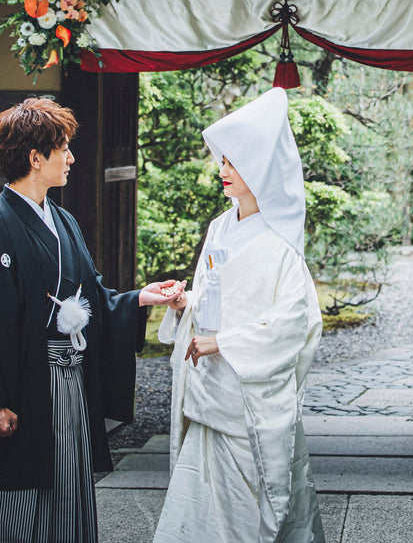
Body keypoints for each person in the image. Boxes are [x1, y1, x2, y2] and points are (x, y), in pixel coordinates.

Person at [0, 97, 179, 543]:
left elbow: (89, 295)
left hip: (66, 382)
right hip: (19, 385)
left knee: (68, 489)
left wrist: (140, 298)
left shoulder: (63, 221)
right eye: (63, 148)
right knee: (18, 496)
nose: (70, 158)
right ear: (35, 158)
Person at [153, 87, 325, 543]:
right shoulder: (220, 226)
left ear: (260, 168)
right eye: (223, 161)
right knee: (199, 499)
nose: (223, 171)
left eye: (232, 162)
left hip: (248, 392)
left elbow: (296, 323)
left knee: (257, 503)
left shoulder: (281, 241)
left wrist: (224, 342)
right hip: (209, 383)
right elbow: (213, 296)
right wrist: (185, 304)